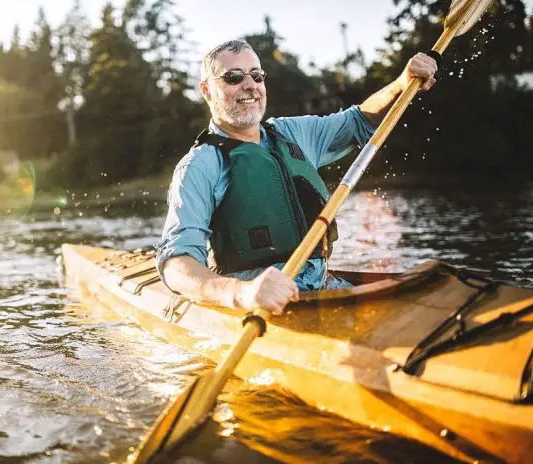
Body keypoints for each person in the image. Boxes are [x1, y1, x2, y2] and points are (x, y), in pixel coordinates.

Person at [156, 39, 438, 316]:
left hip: (320, 289)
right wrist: (242, 293)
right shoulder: (199, 165)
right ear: (207, 90)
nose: (250, 85)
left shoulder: (291, 134)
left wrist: (402, 82)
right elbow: (176, 264)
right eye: (233, 77)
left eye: (257, 75)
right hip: (256, 306)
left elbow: (359, 121)